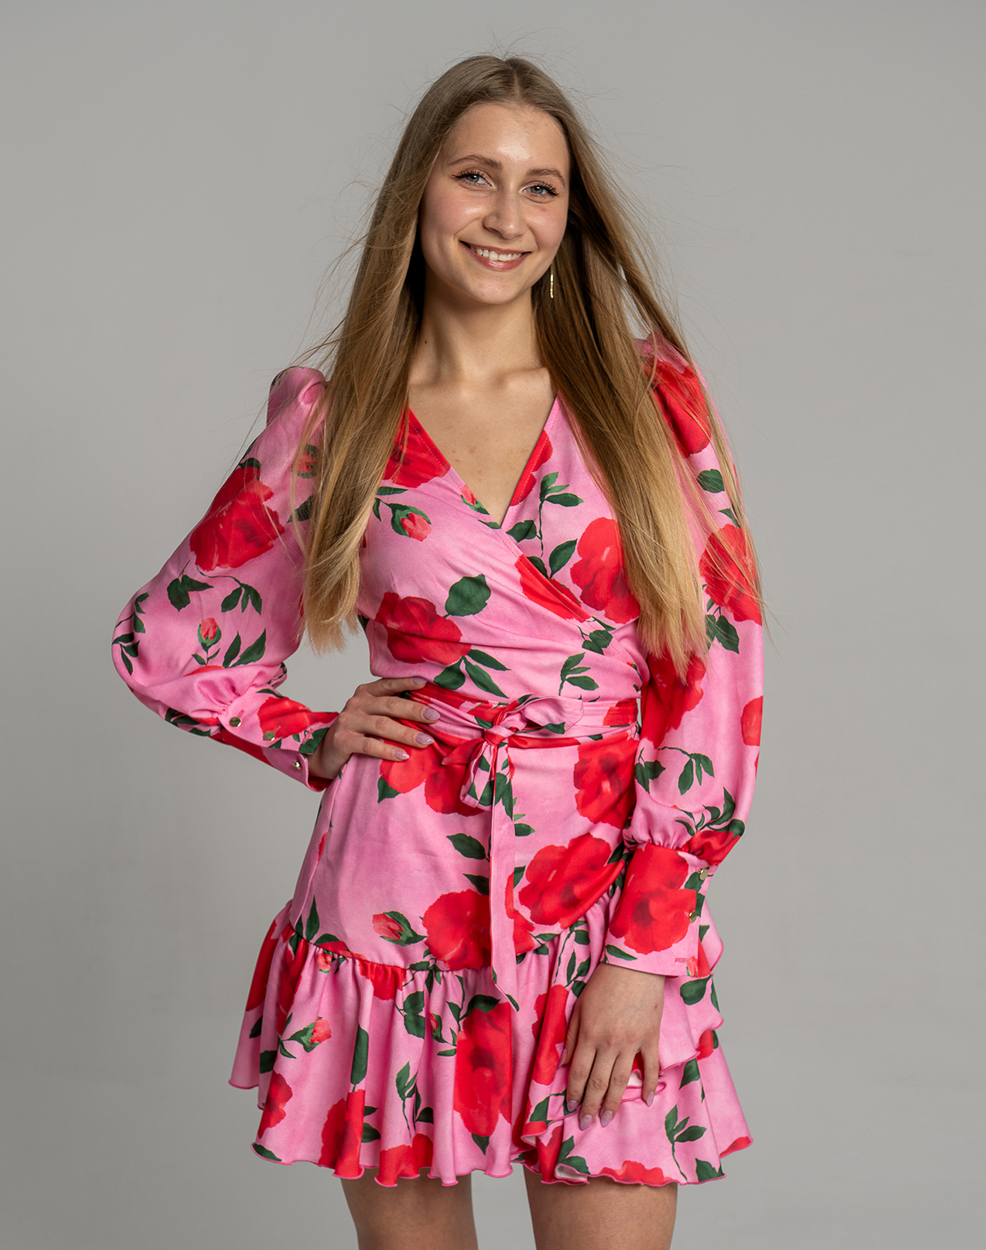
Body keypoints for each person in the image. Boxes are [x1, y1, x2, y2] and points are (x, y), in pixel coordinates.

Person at [112, 54, 763, 1250]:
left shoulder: (647, 397)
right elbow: (170, 638)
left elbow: (716, 673)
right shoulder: (336, 417)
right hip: (397, 896)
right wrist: (312, 736)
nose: (507, 215)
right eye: (475, 176)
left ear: (569, 217)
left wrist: (647, 947)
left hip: (602, 897)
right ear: (418, 189)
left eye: (540, 187)